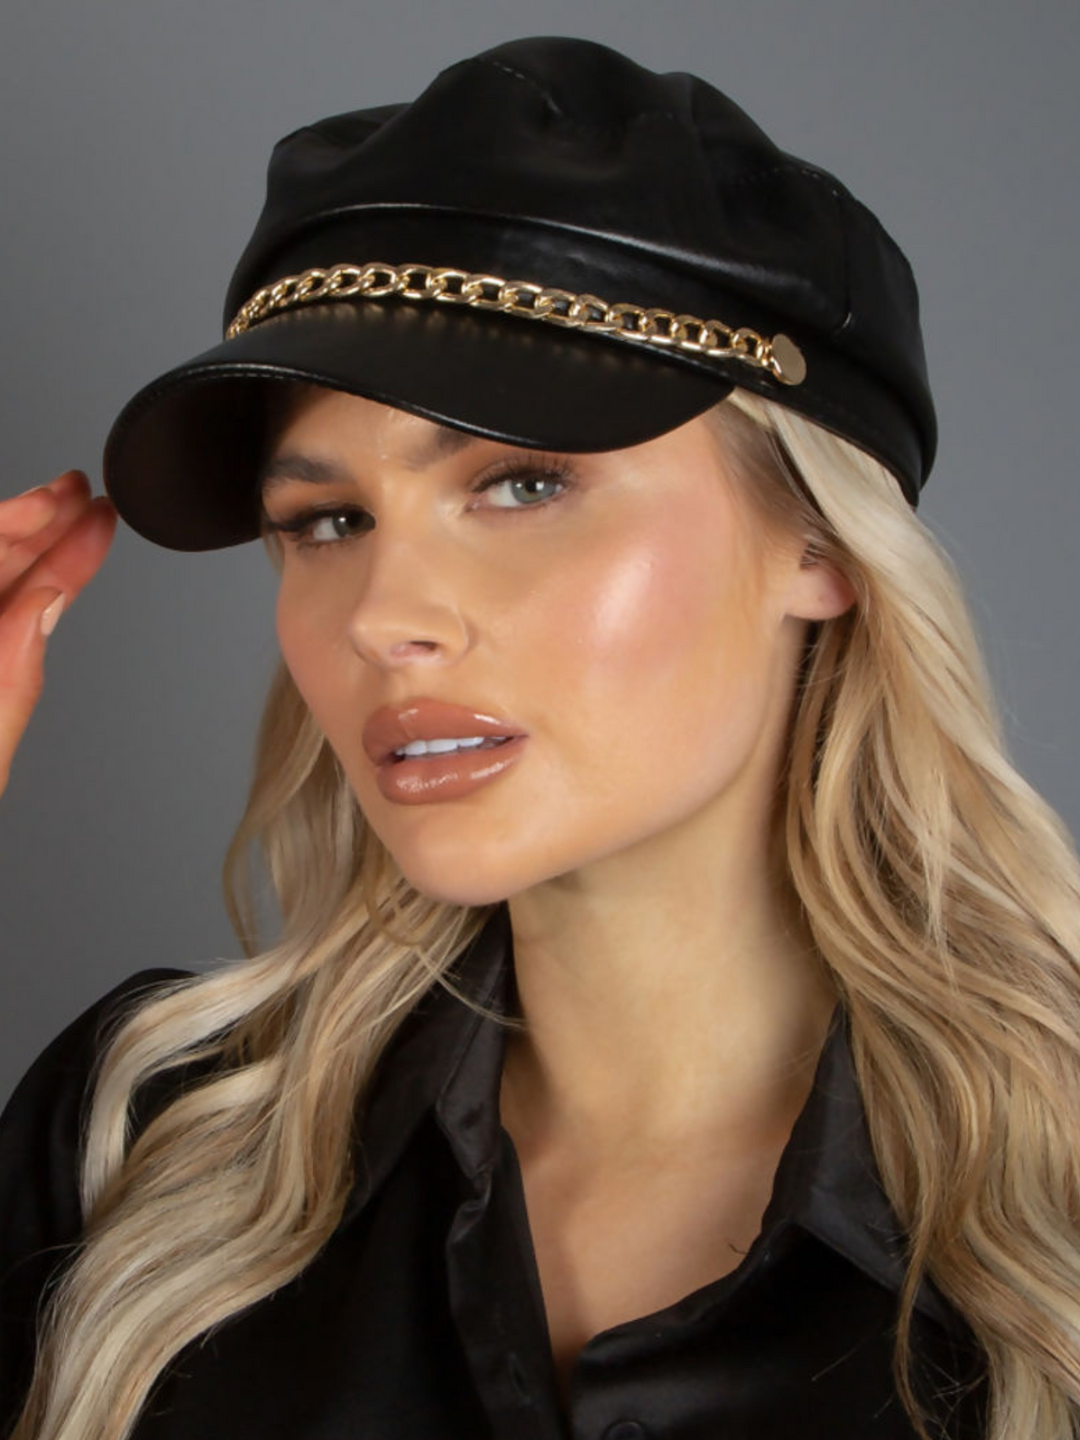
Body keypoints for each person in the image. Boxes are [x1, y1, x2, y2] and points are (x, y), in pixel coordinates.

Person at [2, 32, 1079, 1440]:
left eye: (521, 485)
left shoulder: (1042, 1242)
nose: (388, 613)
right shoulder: (137, 1142)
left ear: (820, 546)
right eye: (328, 521)